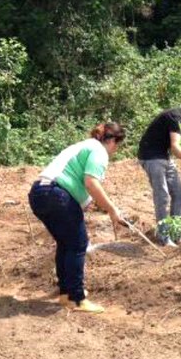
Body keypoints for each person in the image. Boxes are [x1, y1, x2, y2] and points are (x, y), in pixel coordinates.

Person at [28, 123, 126, 313]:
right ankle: (76, 298)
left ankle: (66, 293)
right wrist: (113, 210)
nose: (115, 151)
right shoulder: (99, 151)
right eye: (117, 145)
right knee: (78, 244)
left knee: (66, 243)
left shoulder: (84, 145)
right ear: (113, 140)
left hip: (39, 193)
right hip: (57, 194)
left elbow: (83, 185)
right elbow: (91, 182)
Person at [138, 91, 181, 246]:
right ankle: (164, 237)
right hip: (151, 156)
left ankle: (176, 234)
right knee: (162, 196)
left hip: (163, 155)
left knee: (179, 193)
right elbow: (175, 146)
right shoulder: (176, 116)